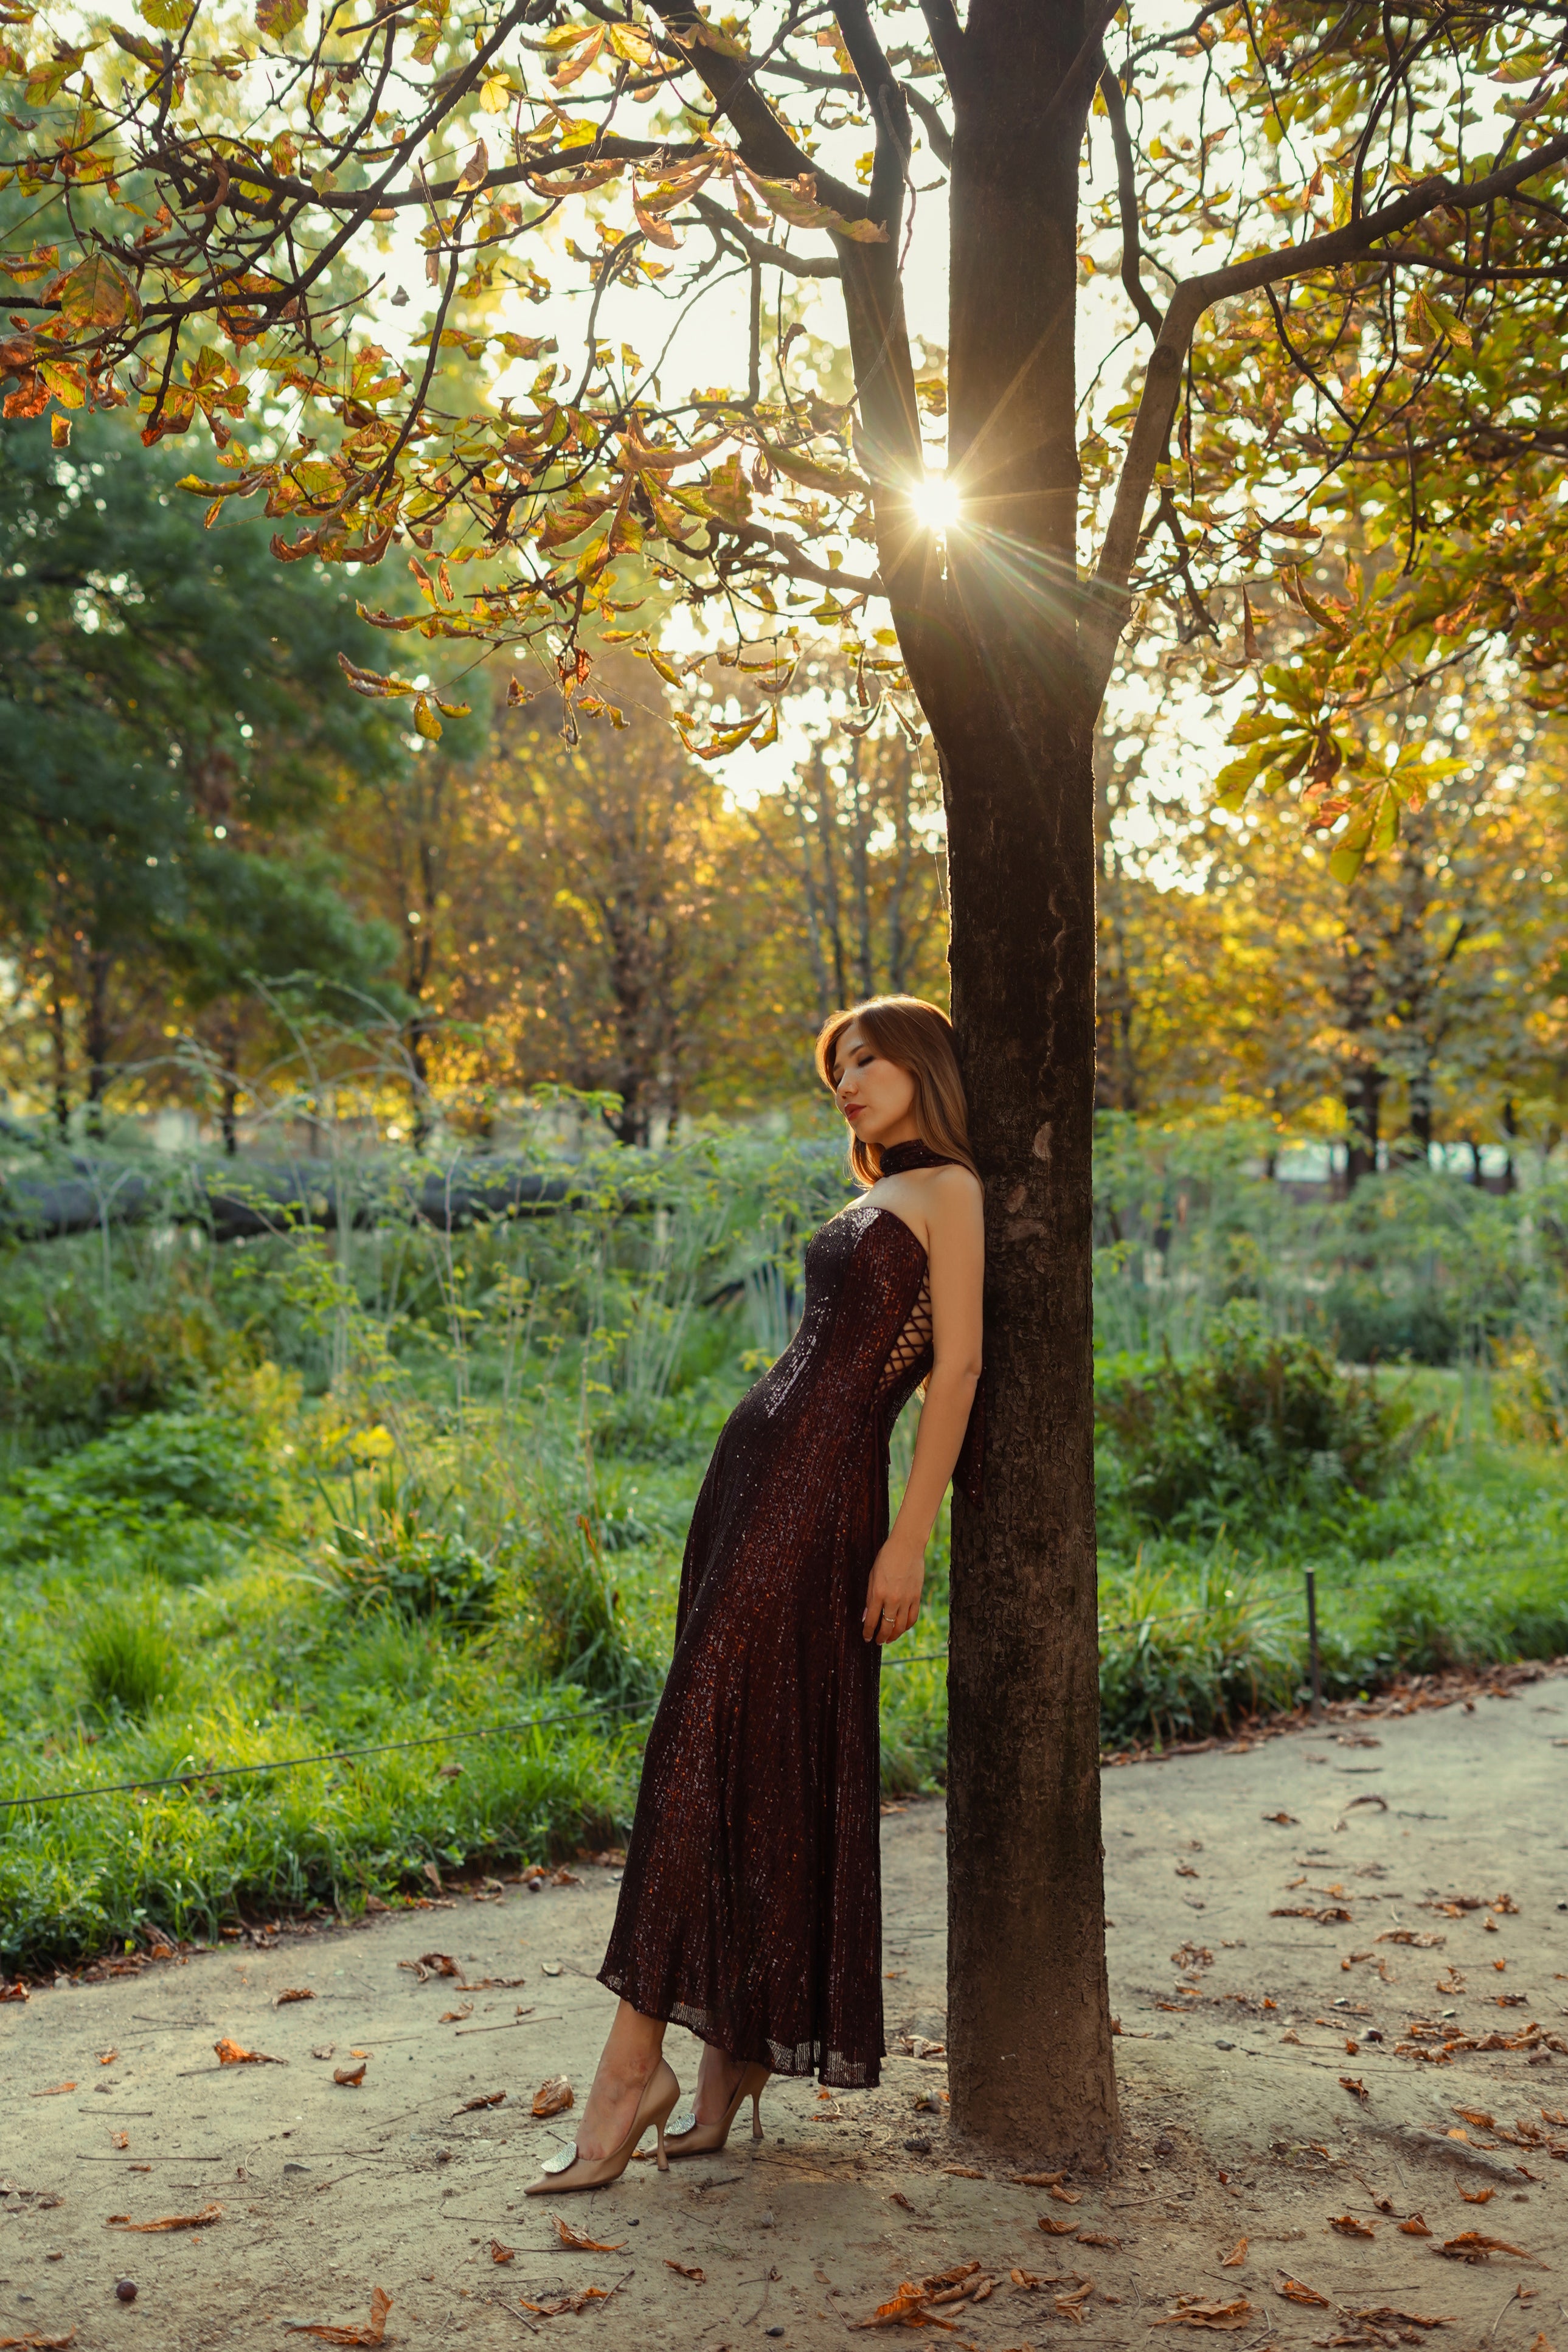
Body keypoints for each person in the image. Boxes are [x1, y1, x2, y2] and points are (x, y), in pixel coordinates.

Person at [526, 995, 985, 2192]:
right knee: (738, 1747)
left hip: (821, 1497)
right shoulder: (883, 1192)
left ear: (922, 1064)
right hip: (755, 1478)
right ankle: (728, 2050)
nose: (846, 1082)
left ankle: (631, 2072)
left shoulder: (950, 1190)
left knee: (706, 1746)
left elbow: (957, 1371)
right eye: (836, 1069)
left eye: (866, 1059)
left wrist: (908, 1539)